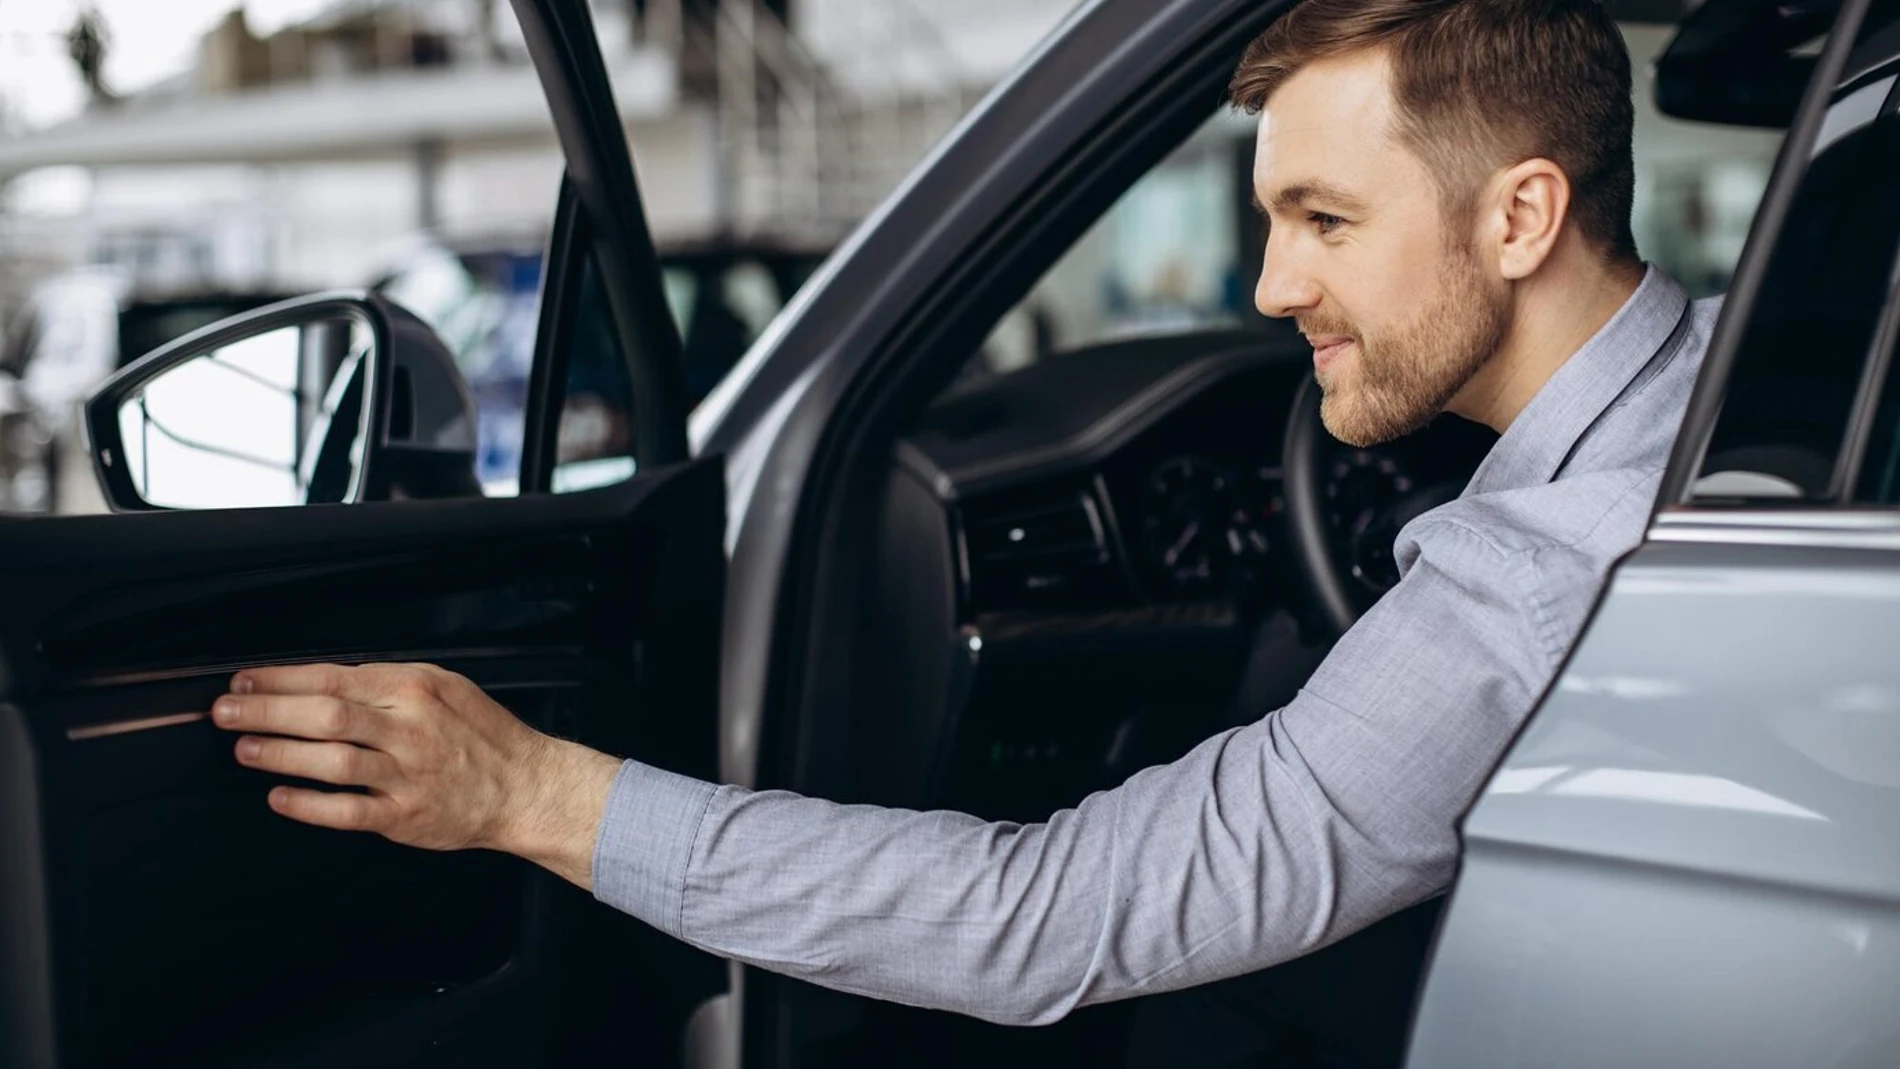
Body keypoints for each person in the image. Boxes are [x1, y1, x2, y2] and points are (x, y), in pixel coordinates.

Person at [208, 0, 1722, 1058]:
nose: (1270, 290)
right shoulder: (1738, 381)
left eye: (1326, 222)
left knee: (1209, 1003)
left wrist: (527, 790)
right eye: (1269, 222)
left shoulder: (1548, 570)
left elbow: (1058, 917)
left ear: (1521, 219)